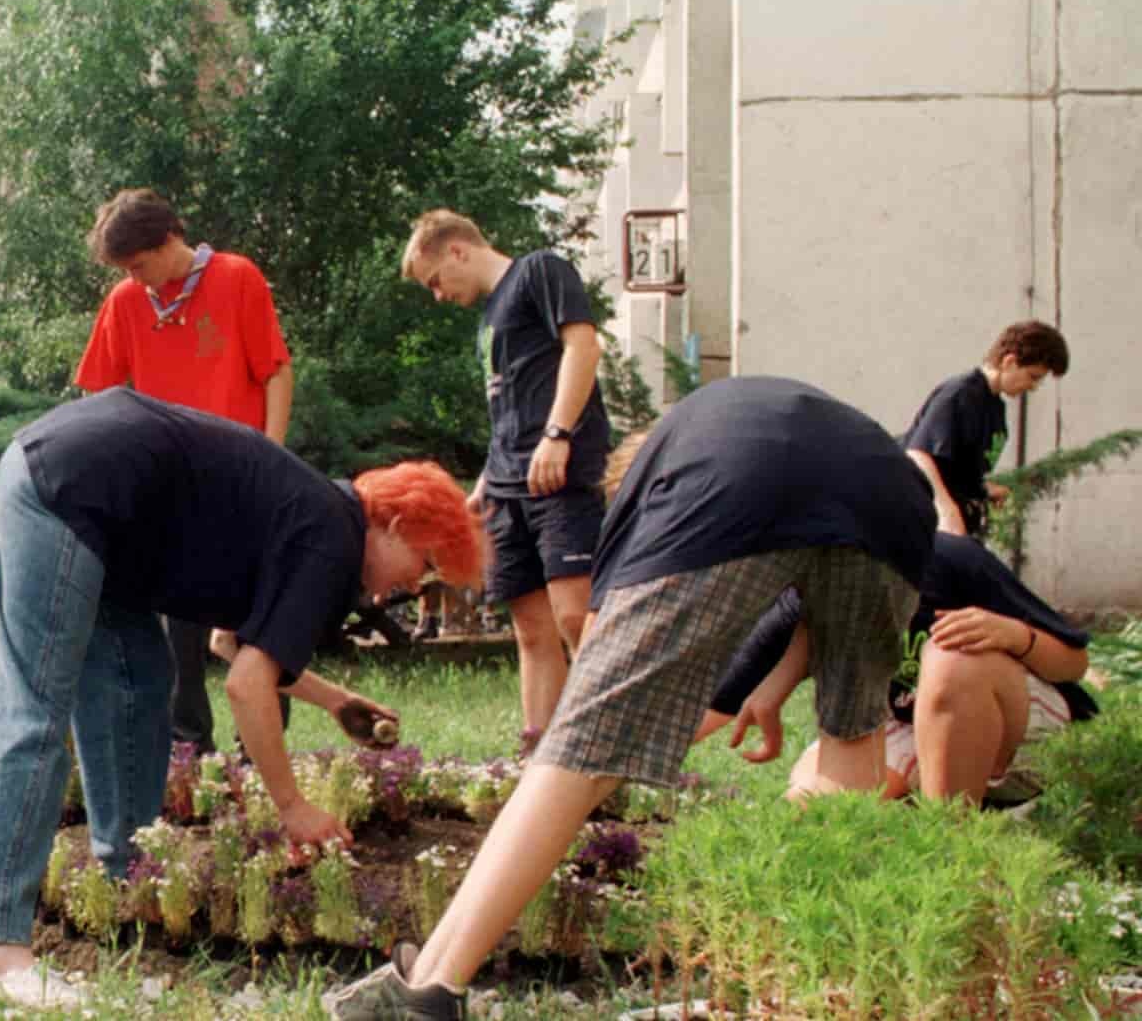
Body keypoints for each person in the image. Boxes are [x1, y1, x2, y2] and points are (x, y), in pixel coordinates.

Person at [326, 376, 936, 1021]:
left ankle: (432, 986)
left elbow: (599, 659)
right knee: (852, 731)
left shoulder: (657, 479)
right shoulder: (741, 422)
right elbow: (814, 575)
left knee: (577, 747)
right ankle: (830, 980)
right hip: (893, 504)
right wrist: (773, 686)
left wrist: (588, 748)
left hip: (742, 483)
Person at [0, 388, 485, 1008]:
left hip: (99, 506)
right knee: (35, 707)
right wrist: (293, 808)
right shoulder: (333, 540)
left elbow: (235, 647)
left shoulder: (318, 519)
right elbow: (246, 688)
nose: (414, 583)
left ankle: (133, 873)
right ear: (394, 524)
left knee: (139, 681)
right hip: (72, 487)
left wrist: (333, 701)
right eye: (424, 562)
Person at [74, 187, 296, 754]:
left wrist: (272, 461)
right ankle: (188, 754)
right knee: (180, 636)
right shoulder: (127, 301)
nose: (137, 279)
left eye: (140, 264)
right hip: (169, 490)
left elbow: (275, 371)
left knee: (258, 626)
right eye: (126, 270)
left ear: (169, 238)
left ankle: (258, 754)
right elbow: (98, 396)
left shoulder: (236, 277)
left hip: (245, 479)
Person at [401, 210, 609, 737]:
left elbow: (583, 346)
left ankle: (607, 746)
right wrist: (486, 483)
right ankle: (539, 755)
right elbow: (509, 405)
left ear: (457, 251)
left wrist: (558, 435)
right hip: (508, 485)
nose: (438, 296)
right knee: (530, 630)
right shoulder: (489, 317)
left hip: (559, 477)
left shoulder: (540, 270)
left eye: (435, 282)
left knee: (574, 617)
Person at [701, 532, 1095, 805]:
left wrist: (1016, 635)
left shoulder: (947, 560)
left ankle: (951, 848)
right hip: (906, 723)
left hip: (1020, 733)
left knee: (951, 658)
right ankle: (916, 807)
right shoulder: (806, 594)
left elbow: (1074, 663)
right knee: (811, 809)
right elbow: (720, 700)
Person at [903, 320, 1070, 538]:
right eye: (1033, 376)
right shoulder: (960, 394)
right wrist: (946, 510)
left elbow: (957, 469)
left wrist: (985, 489)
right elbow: (918, 454)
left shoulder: (994, 405)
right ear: (1009, 361)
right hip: (926, 519)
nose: (1034, 386)